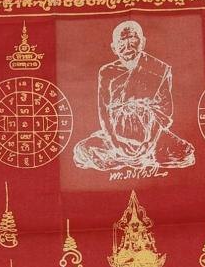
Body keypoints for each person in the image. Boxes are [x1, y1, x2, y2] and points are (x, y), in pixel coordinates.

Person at [73, 20, 195, 171]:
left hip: (151, 135)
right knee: (81, 150)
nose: (127, 46)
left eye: (132, 38)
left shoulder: (158, 69)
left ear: (142, 42)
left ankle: (134, 158)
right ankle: (136, 159)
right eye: (121, 41)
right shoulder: (107, 72)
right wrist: (115, 143)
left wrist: (148, 144)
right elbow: (103, 112)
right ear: (114, 48)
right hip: (117, 135)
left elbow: (163, 113)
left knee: (185, 153)